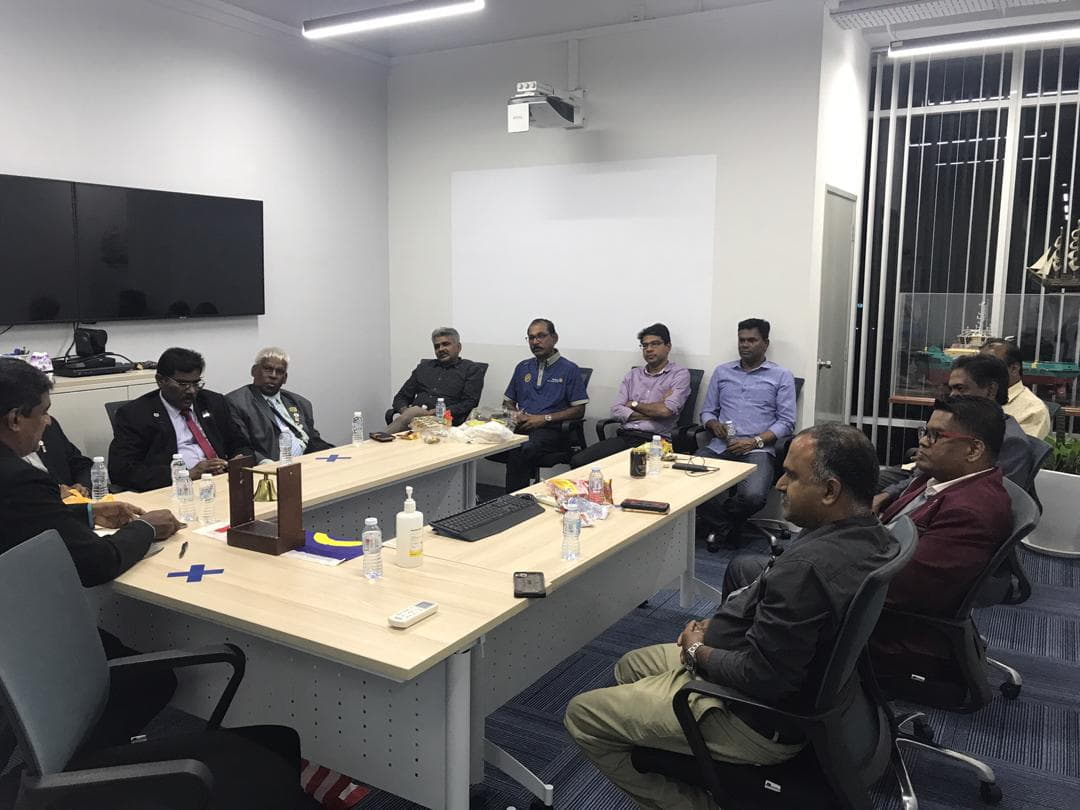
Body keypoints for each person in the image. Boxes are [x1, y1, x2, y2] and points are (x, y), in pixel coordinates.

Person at [563, 425, 897, 810]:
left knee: (582, 714)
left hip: (749, 713)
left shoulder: (807, 569)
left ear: (830, 491)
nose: (779, 485)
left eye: (791, 476)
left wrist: (698, 651)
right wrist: (722, 627)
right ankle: (678, 753)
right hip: (759, 668)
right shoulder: (868, 534)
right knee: (631, 665)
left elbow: (765, 678)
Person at [0, 357, 183, 751]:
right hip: (21, 640)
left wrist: (87, 512)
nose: (48, 422)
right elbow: (98, 563)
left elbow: (17, 517)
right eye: (43, 413)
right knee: (153, 679)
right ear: (15, 419)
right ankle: (81, 764)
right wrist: (146, 528)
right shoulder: (19, 478)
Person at [871, 395, 1013, 684]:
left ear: (973, 450)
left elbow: (899, 590)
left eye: (936, 436)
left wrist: (830, 571)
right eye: (925, 432)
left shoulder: (971, 512)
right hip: (873, 574)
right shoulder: (940, 478)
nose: (923, 442)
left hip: (893, 633)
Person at [873, 353, 1033, 514]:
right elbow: (926, 475)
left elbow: (986, 499)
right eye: (951, 389)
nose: (953, 396)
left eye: (960, 388)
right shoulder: (962, 423)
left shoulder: (1011, 441)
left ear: (991, 390)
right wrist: (889, 494)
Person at [694, 318, 796, 547]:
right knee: (685, 479)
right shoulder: (722, 372)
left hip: (758, 448)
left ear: (765, 343)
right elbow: (707, 411)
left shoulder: (781, 375)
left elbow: (787, 422)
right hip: (721, 445)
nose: (745, 345)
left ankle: (721, 523)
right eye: (742, 340)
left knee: (753, 497)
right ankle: (726, 525)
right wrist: (712, 424)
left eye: (752, 340)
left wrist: (754, 441)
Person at [109, 347, 248, 492]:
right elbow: (122, 471)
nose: (191, 391)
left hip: (223, 481)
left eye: (196, 383)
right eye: (183, 384)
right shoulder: (135, 414)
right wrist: (186, 474)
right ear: (160, 380)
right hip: (176, 490)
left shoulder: (212, 402)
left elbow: (240, 443)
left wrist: (237, 460)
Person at [570, 323, 691, 468]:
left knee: (632, 471)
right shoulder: (633, 375)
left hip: (657, 442)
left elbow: (665, 411)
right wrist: (655, 411)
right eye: (645, 345)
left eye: (655, 344)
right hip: (626, 437)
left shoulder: (679, 374)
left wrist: (633, 404)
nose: (649, 349)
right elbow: (616, 411)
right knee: (579, 461)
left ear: (668, 346)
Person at [500, 319, 589, 492]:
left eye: (541, 336)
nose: (535, 342)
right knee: (487, 441)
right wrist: (515, 414)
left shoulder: (569, 369)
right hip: (521, 426)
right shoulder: (523, 367)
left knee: (520, 449)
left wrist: (544, 418)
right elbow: (508, 402)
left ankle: (514, 500)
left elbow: (579, 410)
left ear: (554, 338)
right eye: (531, 337)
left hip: (552, 430)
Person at [227, 347, 334, 463]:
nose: (273, 376)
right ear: (254, 371)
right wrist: (265, 464)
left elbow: (313, 441)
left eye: (279, 371)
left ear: (285, 378)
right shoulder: (237, 402)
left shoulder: (300, 403)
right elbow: (242, 447)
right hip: (270, 466)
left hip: (306, 463)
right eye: (268, 369)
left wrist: (336, 454)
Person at [387, 327, 486, 432]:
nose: (441, 349)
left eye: (446, 344)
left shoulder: (471, 370)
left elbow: (469, 402)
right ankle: (383, 436)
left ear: (458, 347)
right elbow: (401, 397)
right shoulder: (424, 367)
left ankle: (382, 437)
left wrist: (437, 412)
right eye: (437, 346)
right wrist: (405, 411)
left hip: (444, 422)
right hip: (414, 420)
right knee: (411, 414)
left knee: (391, 434)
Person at [980, 338, 1052, 439]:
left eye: (990, 366)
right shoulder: (975, 397)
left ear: (1014, 368)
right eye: (979, 366)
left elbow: (1020, 448)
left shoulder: (1034, 410)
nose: (981, 372)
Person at [25, 417, 92, 497]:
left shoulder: (49, 428)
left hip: (76, 502)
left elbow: (81, 465)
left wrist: (82, 487)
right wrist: (54, 495)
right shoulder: (12, 461)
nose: (48, 421)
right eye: (42, 413)